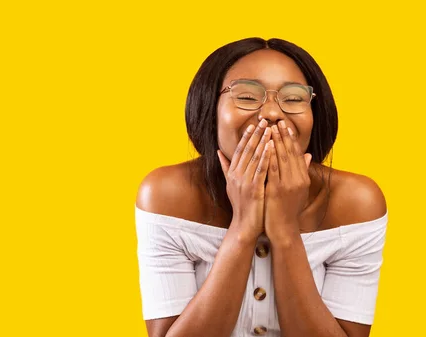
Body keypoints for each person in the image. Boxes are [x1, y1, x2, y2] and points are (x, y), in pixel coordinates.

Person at [135, 37, 388, 337]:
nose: (271, 113)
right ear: (209, 108)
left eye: (293, 99)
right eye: (246, 96)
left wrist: (284, 231)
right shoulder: (166, 195)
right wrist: (243, 227)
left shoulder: (356, 203)